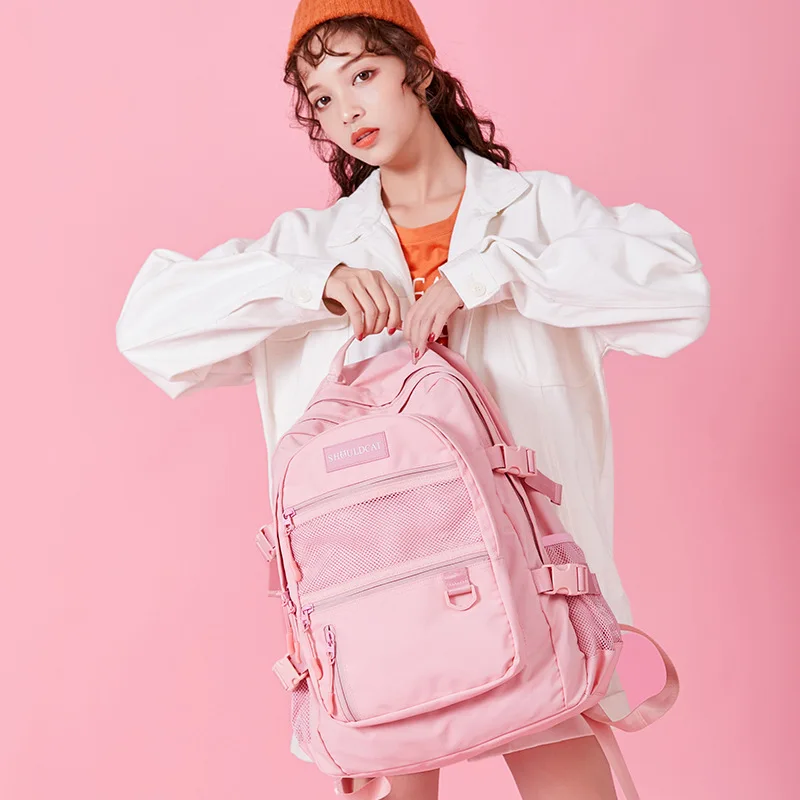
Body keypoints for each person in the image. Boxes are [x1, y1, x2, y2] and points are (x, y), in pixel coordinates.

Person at [115, 1, 711, 797]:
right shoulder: (313, 249)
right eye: (322, 97)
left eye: (363, 74)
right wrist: (313, 284)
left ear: (420, 71)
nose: (346, 110)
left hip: (536, 589)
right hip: (379, 601)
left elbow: (678, 290)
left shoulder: (537, 216)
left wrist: (494, 274)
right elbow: (146, 326)